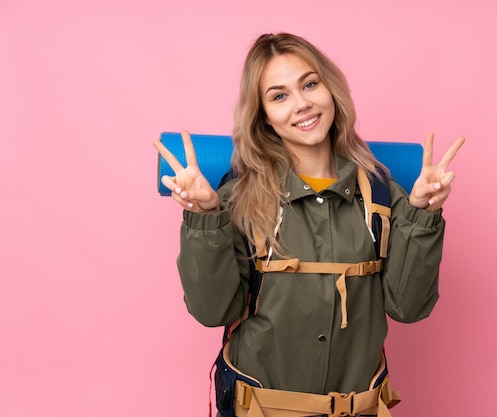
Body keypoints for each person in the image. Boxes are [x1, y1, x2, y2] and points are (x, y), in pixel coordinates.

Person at [153, 32, 464, 417]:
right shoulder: (237, 198)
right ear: (262, 115)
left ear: (330, 89)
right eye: (279, 96)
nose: (301, 104)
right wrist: (205, 219)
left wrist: (422, 216)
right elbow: (212, 312)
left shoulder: (383, 197)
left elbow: (409, 307)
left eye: (309, 84)